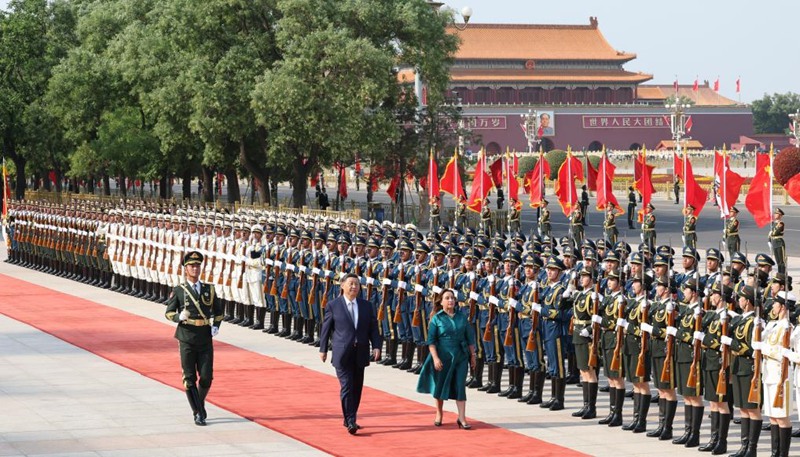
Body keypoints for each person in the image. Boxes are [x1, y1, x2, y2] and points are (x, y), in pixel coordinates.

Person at [164, 250, 224, 426]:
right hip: (187, 336)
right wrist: (178, 317)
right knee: (189, 377)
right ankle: (198, 412)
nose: (195, 269)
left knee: (206, 377)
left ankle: (199, 401)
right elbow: (168, 312)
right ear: (185, 269)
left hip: (205, 336)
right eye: (191, 266)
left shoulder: (209, 289)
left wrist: (216, 326)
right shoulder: (179, 291)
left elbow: (219, 312)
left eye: (197, 266)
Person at [319, 273, 382, 435]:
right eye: (351, 284)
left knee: (357, 387)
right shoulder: (334, 305)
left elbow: (373, 328)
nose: (354, 287)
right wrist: (323, 348)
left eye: (356, 284)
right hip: (342, 352)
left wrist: (376, 346)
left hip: (360, 351)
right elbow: (326, 329)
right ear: (342, 285)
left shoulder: (367, 305)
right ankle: (351, 420)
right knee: (347, 386)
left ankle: (349, 417)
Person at [416, 289, 477, 429]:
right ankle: (439, 413)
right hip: (443, 356)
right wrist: (435, 358)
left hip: (461, 356)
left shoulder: (462, 317)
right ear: (441, 301)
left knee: (460, 385)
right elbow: (431, 341)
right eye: (447, 298)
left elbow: (470, 339)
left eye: (452, 298)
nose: (451, 300)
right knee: (440, 385)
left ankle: (462, 417)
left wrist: (472, 356)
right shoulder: (437, 318)